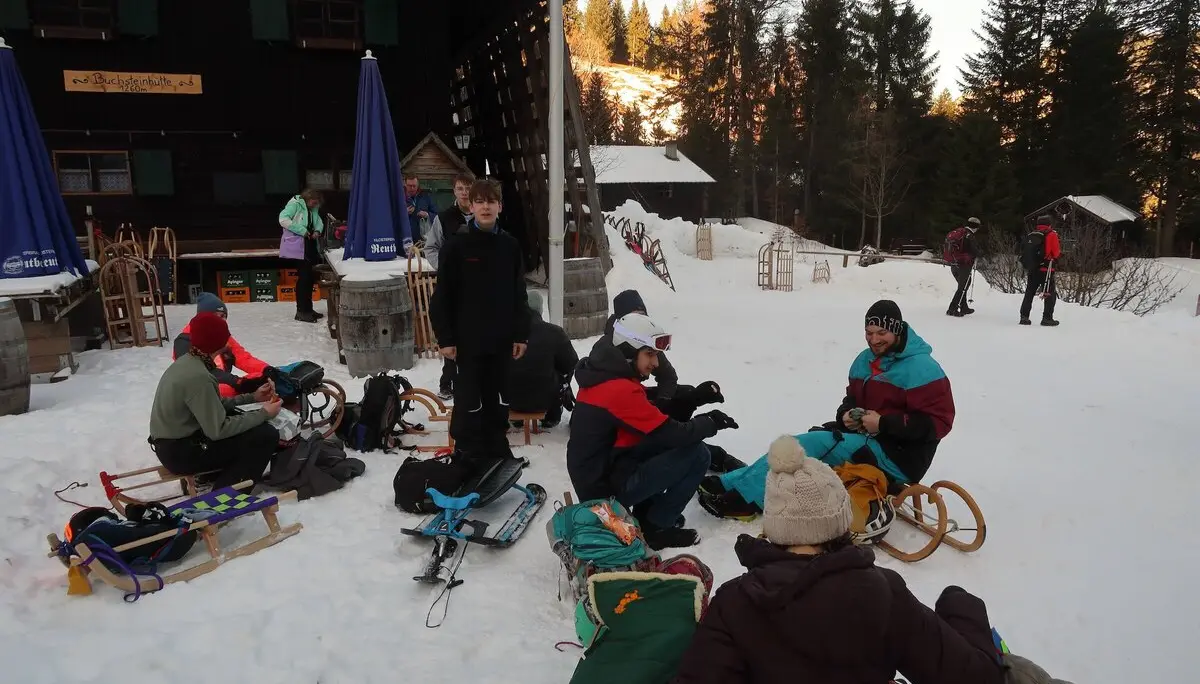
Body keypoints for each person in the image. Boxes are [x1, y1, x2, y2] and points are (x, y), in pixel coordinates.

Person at [672, 436, 1005, 684]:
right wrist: (961, 605)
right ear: (842, 523)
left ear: (774, 526)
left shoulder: (735, 601)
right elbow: (976, 678)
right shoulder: (883, 592)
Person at [702, 300, 954, 528]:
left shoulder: (923, 369)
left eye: (881, 333)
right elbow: (851, 399)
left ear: (897, 330)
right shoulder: (864, 361)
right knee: (799, 442)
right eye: (869, 333)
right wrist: (846, 415)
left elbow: (939, 422)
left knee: (807, 445)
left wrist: (884, 423)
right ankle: (730, 483)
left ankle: (745, 502)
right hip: (868, 440)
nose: (874, 340)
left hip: (899, 457)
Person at [567, 312, 739, 550]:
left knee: (659, 444)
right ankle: (656, 528)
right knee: (698, 454)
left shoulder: (603, 375)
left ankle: (648, 512)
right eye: (650, 354)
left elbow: (648, 406)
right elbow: (674, 433)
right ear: (628, 350)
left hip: (602, 471)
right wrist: (709, 422)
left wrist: (694, 397)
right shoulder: (619, 390)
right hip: (603, 493)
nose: (656, 363)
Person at [428, 178, 530, 458]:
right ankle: (467, 451)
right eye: (480, 201)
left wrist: (521, 334)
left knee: (500, 398)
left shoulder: (509, 246)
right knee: (469, 400)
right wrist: (445, 338)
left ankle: (498, 451)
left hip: (501, 340)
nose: (486, 207)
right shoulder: (456, 246)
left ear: (500, 206)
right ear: (470, 206)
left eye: (491, 201)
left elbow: (519, 294)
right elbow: (442, 297)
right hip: (467, 340)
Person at [598, 289, 743, 473]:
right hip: (621, 415)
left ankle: (692, 440)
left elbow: (668, 376)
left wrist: (664, 403)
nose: (640, 319)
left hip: (634, 400)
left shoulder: (643, 340)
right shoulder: (613, 345)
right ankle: (713, 457)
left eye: (642, 314)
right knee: (664, 437)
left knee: (684, 392)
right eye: (634, 315)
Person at [149, 312, 282, 492]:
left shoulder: (188, 362)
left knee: (246, 424)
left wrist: (253, 397)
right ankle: (227, 497)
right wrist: (264, 413)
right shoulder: (199, 376)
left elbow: (212, 405)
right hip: (181, 453)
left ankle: (216, 475)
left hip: (173, 445)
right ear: (218, 343)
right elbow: (218, 429)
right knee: (266, 435)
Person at [423, 172, 476, 399]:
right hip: (453, 285)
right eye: (460, 188)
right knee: (452, 331)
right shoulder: (444, 218)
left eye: (468, 188)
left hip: (479, 284)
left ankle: (475, 380)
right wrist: (444, 268)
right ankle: (448, 381)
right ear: (454, 191)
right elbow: (430, 248)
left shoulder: (483, 215)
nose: (464, 193)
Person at [172, 293, 269, 399]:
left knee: (264, 378)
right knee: (222, 390)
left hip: (224, 385)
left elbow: (243, 358)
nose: (220, 320)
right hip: (198, 392)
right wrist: (239, 383)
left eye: (223, 316)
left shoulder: (222, 336)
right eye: (215, 316)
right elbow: (201, 373)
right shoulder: (185, 341)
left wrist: (267, 370)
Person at [506, 291, 577, 430]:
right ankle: (552, 415)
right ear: (540, 309)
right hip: (545, 400)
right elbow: (571, 362)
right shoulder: (554, 332)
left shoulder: (504, 333)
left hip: (510, 399)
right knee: (557, 372)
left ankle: (515, 417)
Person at [278, 188, 325, 323]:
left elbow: (318, 221)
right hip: (298, 244)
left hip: (309, 244)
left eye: (316, 203)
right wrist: (301, 230)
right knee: (304, 277)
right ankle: (302, 311)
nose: (315, 205)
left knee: (309, 277)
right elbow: (283, 219)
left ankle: (308, 309)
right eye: (313, 202)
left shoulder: (313, 208)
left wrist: (317, 231)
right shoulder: (295, 204)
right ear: (307, 199)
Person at [1019, 214, 1062, 327]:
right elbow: (1056, 253)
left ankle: (1024, 316)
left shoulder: (1032, 235)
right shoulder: (1052, 234)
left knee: (1029, 292)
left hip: (1033, 268)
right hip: (1046, 269)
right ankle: (1047, 318)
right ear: (1049, 224)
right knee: (1049, 293)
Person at [943, 217, 981, 317]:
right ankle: (952, 309)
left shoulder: (959, 232)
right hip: (963, 264)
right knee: (963, 287)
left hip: (954, 263)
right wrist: (979, 253)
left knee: (964, 285)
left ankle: (964, 307)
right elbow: (974, 250)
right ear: (975, 227)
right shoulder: (969, 235)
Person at [405, 173, 440, 244]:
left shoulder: (426, 197)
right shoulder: (399, 198)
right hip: (405, 239)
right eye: (409, 186)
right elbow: (391, 217)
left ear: (418, 185)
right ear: (405, 184)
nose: (412, 188)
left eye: (414, 186)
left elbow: (437, 216)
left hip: (423, 240)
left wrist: (427, 215)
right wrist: (404, 213)